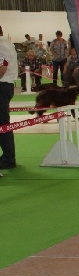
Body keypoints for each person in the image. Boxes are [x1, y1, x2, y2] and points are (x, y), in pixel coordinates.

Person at [0, 26, 18, 170]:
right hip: (6, 85)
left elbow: (2, 68)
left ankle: (8, 158)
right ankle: (7, 156)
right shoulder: (8, 44)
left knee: (3, 124)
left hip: (2, 85)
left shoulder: (1, 45)